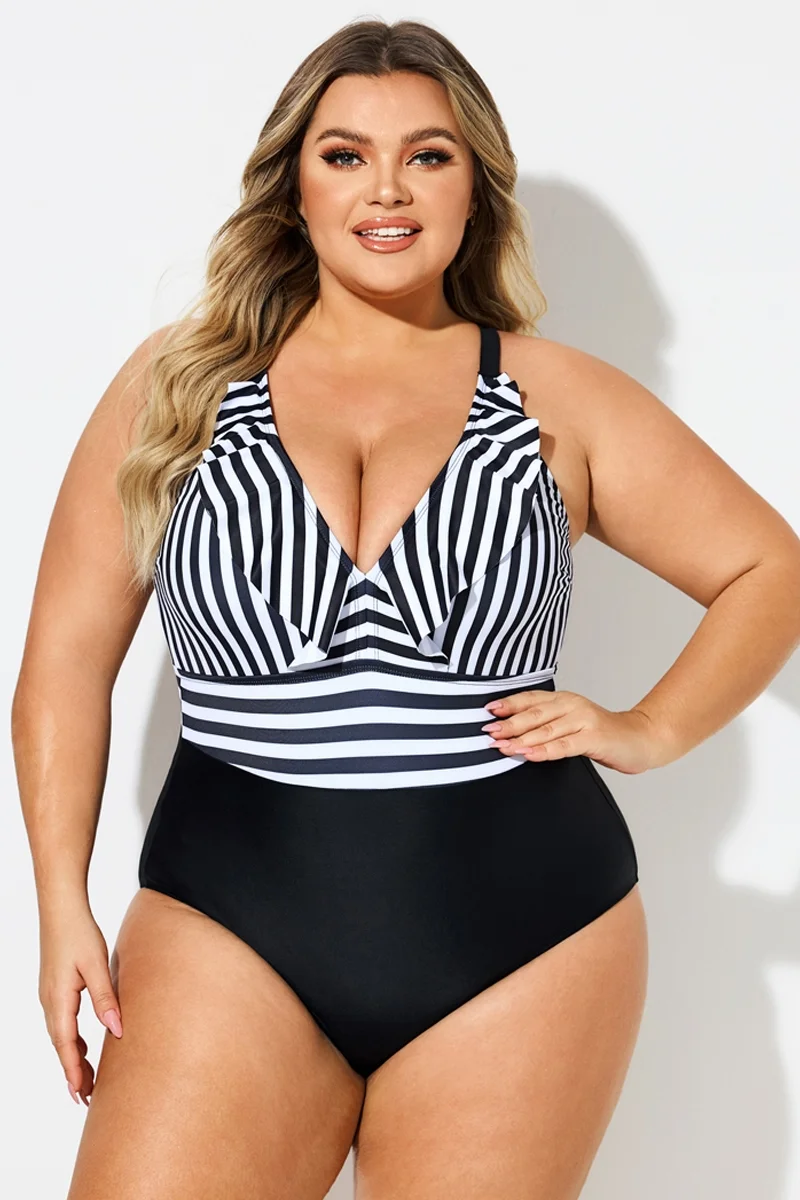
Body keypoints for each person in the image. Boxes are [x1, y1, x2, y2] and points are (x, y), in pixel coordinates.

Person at [12, 17, 800, 1200]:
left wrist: (650, 727)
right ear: (293, 184)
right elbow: (67, 660)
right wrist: (60, 905)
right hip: (226, 919)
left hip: (523, 935)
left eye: (427, 155)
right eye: (344, 155)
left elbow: (765, 568)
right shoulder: (181, 384)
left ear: (474, 185)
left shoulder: (554, 397)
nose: (385, 188)